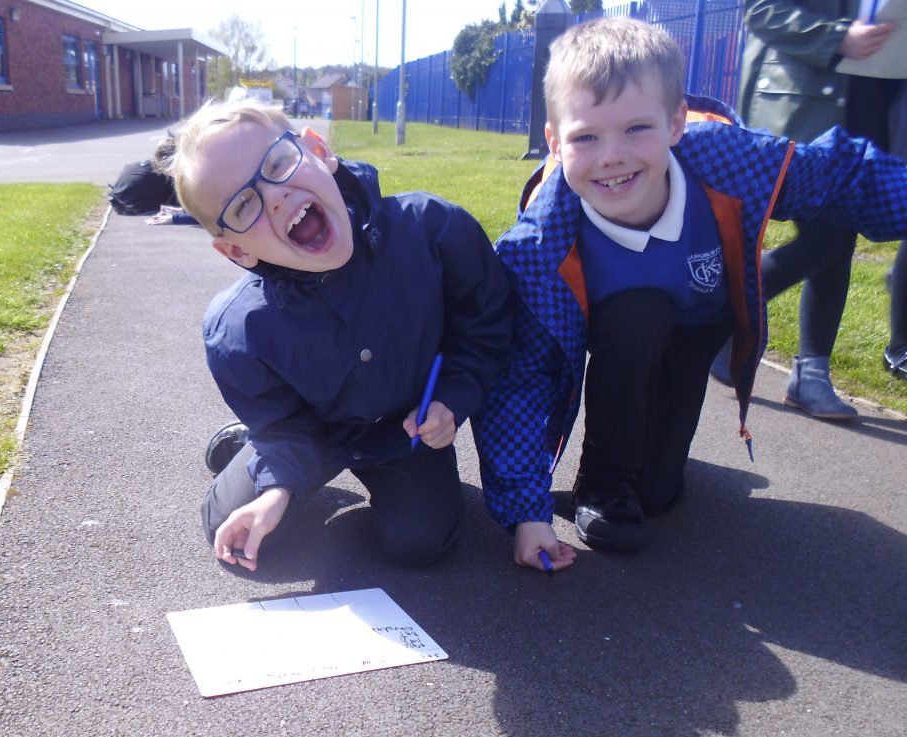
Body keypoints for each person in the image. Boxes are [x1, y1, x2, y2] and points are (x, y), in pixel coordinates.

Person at [473, 17, 907, 569]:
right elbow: (520, 379)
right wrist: (526, 511)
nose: (612, 156)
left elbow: (840, 175)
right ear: (555, 142)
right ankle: (603, 477)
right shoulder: (538, 245)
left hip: (701, 319)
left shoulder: (728, 159)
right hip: (621, 328)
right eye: (586, 137)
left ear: (676, 122)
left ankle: (653, 445)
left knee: (660, 495)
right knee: (638, 314)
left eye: (637, 128)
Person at [167, 99, 515, 572]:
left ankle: (263, 457)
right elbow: (282, 425)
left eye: (277, 164)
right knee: (235, 535)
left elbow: (484, 328)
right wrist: (275, 491)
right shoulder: (237, 330)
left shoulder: (434, 231)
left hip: (401, 432)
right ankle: (247, 447)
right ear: (236, 251)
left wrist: (451, 399)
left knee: (420, 543)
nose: (274, 196)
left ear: (318, 150)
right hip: (311, 437)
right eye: (244, 205)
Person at [715, 0, 906, 416]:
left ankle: (807, 371)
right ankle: (723, 316)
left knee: (839, 237)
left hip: (877, 100)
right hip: (811, 101)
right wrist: (837, 38)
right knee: (826, 241)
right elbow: (762, 10)